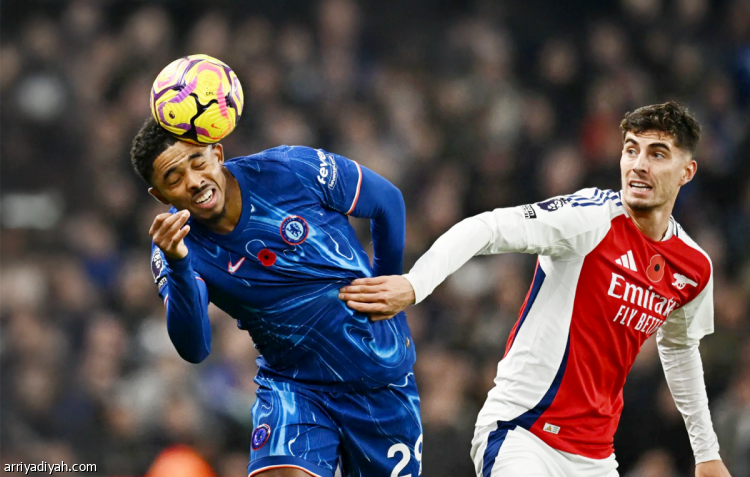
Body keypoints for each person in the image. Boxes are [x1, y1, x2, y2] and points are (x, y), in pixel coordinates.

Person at [339, 102, 732, 477]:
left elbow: (680, 350)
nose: (639, 164)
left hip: (595, 457)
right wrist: (415, 284)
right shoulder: (590, 219)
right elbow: (488, 227)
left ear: (687, 172)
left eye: (657, 154)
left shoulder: (694, 268)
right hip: (523, 433)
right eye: (631, 150)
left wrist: (706, 453)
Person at [130, 117, 422, 477]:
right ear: (160, 195)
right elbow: (195, 349)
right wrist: (178, 265)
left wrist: (387, 286)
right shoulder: (175, 246)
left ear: (217, 154)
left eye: (197, 162)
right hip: (295, 387)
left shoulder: (289, 168)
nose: (193, 181)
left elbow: (387, 201)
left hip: (379, 376)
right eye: (173, 178)